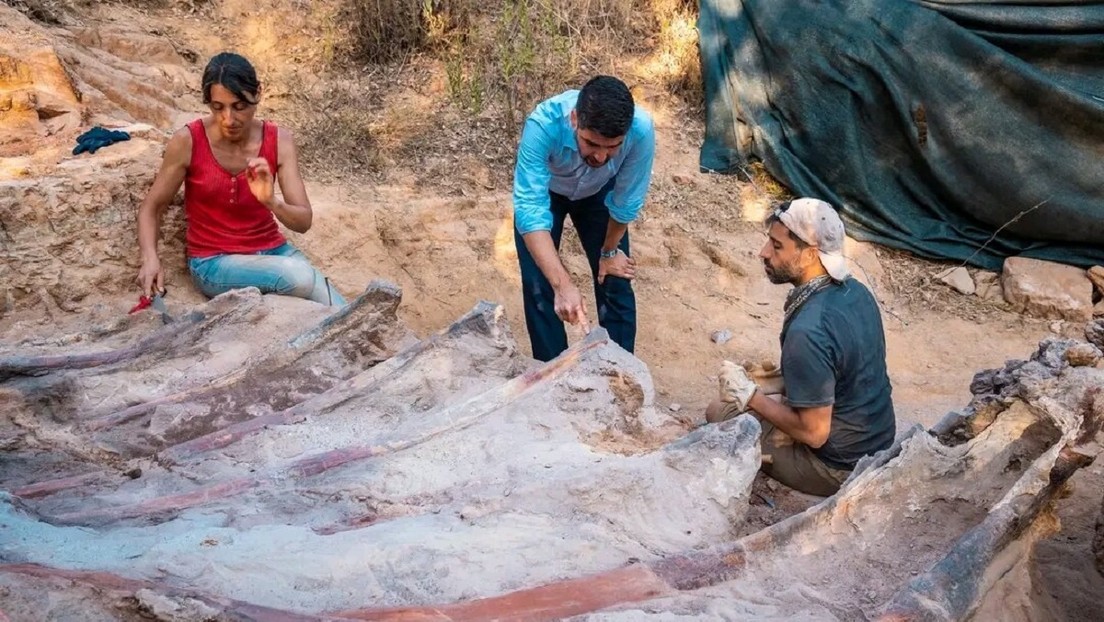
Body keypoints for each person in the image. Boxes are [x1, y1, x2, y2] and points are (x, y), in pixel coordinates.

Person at [705, 198, 895, 496]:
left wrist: (750, 396)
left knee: (720, 410)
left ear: (810, 254)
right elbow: (843, 367)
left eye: (777, 246)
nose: (763, 253)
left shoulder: (808, 331)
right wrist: (773, 381)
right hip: (877, 441)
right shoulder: (856, 292)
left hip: (837, 467)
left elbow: (814, 434)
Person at [136, 52, 345, 306]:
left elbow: (303, 222)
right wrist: (150, 259)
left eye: (239, 106)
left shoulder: (279, 140)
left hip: (274, 252)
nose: (228, 119)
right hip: (214, 262)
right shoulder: (188, 141)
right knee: (301, 277)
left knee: (344, 310)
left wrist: (271, 201)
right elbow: (152, 206)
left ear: (257, 93)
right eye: (218, 107)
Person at [512, 75, 655, 361]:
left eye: (612, 147)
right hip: (549, 193)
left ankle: (622, 373)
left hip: (600, 194)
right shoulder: (543, 125)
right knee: (541, 284)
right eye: (591, 143)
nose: (601, 157)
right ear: (575, 119)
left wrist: (610, 251)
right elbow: (530, 210)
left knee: (615, 277)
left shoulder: (641, 130)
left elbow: (625, 201)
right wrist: (562, 286)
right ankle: (551, 374)